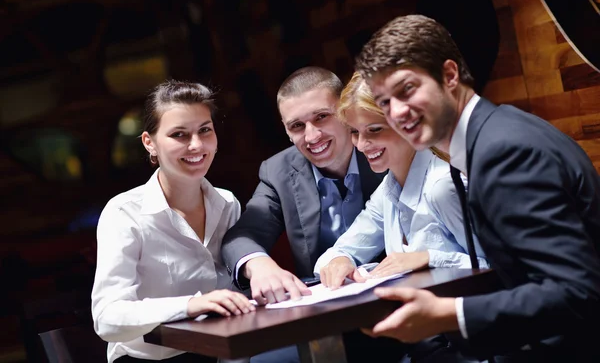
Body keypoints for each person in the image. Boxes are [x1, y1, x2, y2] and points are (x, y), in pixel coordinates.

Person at [354, 14, 600, 362]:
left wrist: (449, 314)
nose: (397, 112)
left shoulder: (503, 151)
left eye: (406, 90)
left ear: (450, 75)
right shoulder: (492, 132)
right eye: (384, 102)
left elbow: (577, 291)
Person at [221, 67, 402, 363]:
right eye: (296, 126)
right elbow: (243, 235)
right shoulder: (278, 171)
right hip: (324, 319)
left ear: (344, 111)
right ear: (285, 130)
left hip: (395, 306)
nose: (312, 135)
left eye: (321, 117)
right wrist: (260, 266)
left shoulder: (386, 146)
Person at [91, 81, 255, 363]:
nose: (196, 145)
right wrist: (190, 305)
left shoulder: (228, 204)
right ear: (149, 143)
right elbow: (107, 318)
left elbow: (238, 298)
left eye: (205, 130)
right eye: (179, 134)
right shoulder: (124, 213)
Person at [316, 71, 488, 291]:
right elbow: (339, 252)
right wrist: (340, 260)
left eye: (374, 130)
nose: (361, 145)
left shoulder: (442, 186)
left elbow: (496, 268)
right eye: (354, 132)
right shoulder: (387, 189)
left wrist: (429, 258)